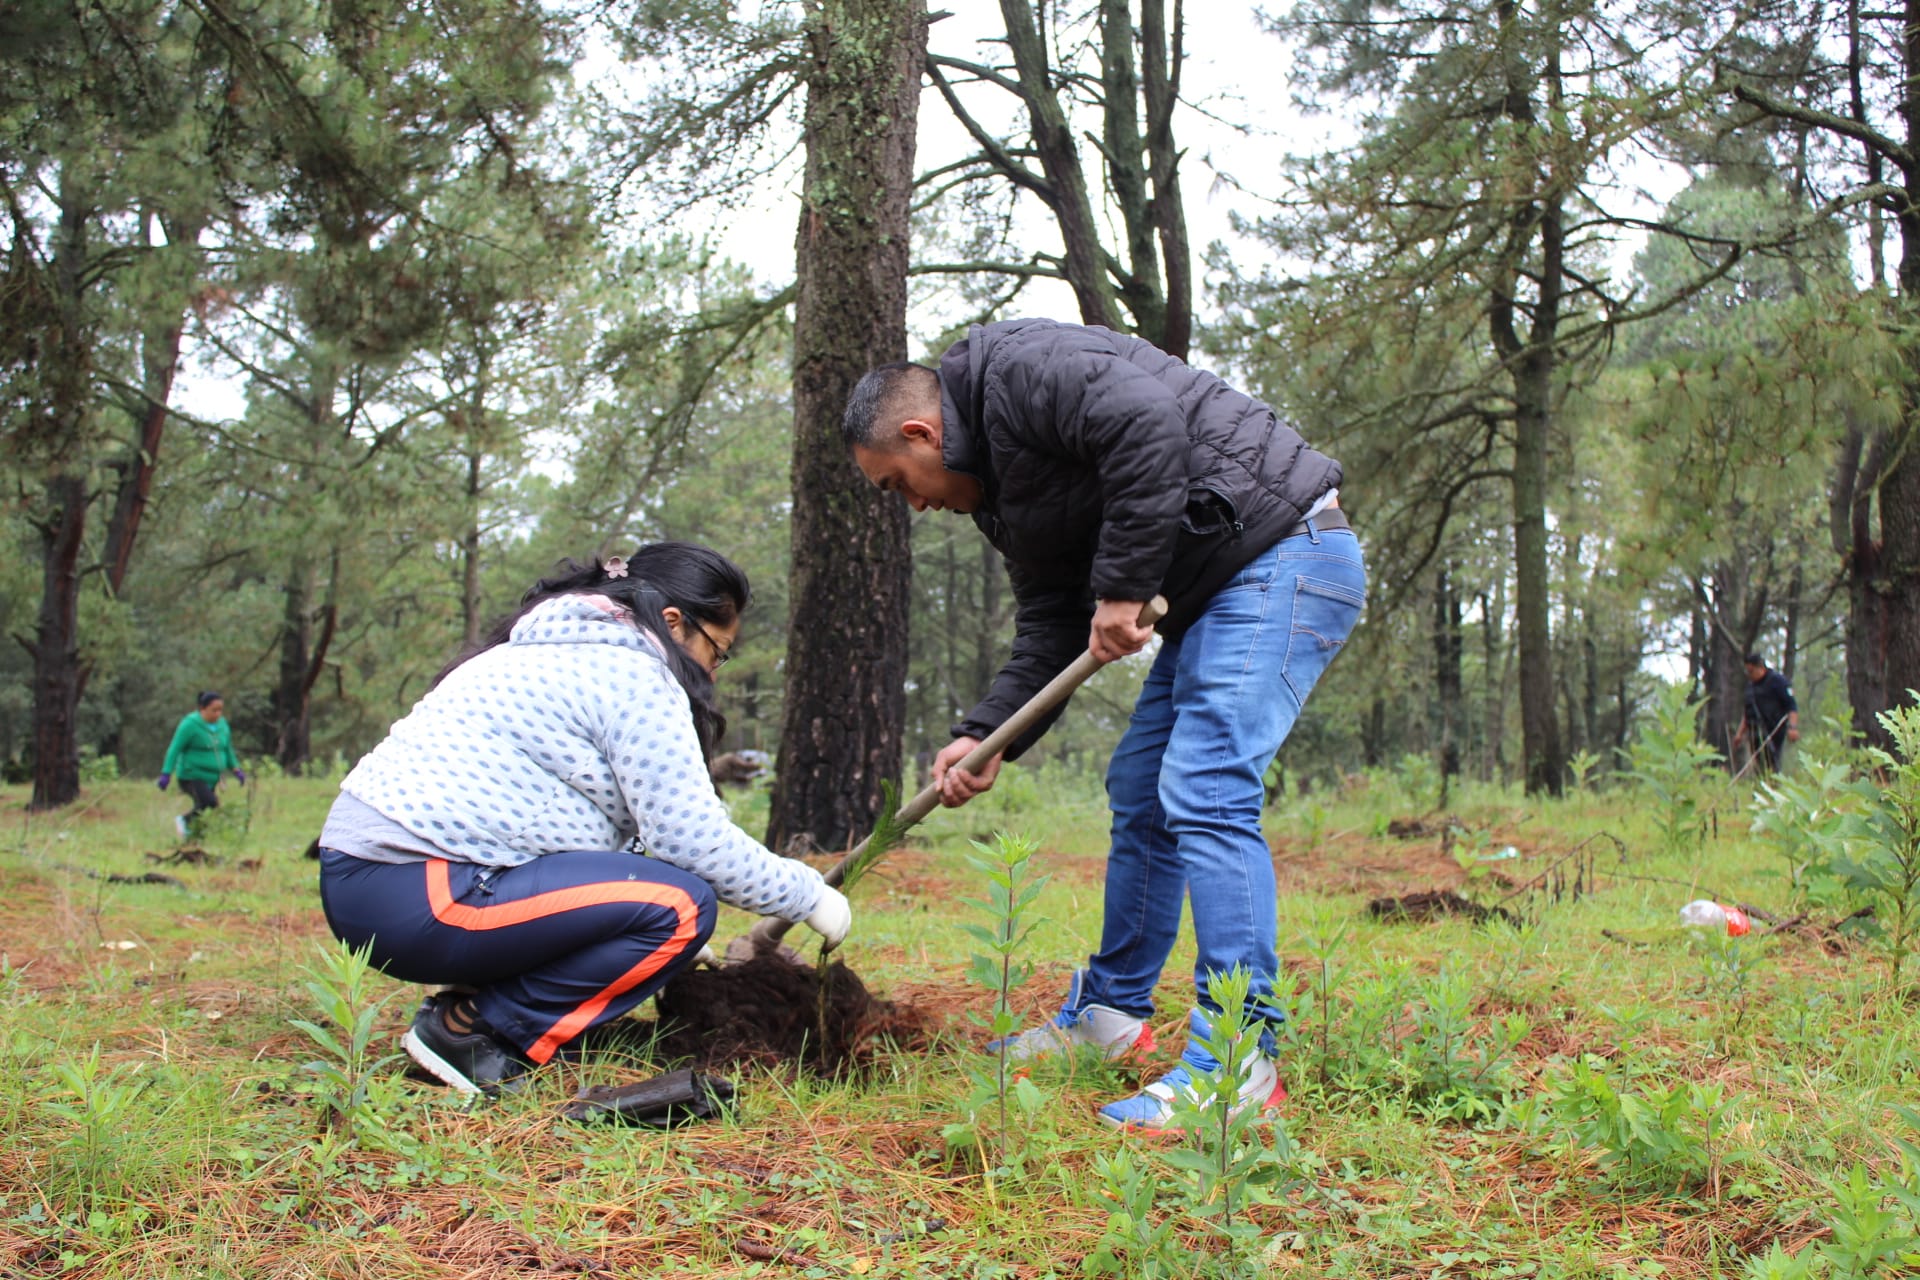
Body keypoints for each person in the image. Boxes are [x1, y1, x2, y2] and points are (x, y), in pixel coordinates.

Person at [843, 318, 1366, 1130]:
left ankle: (1240, 1063)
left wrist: (1122, 586)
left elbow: (1146, 423)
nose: (912, 504)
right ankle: (1111, 1014)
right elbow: (1052, 622)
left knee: (1205, 782)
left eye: (897, 483)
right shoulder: (1004, 497)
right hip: (1216, 596)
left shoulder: (1019, 369)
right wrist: (988, 736)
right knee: (1142, 787)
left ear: (920, 432)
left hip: (1283, 554)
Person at [314, 543, 852, 1096]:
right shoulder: (634, 674)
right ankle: (473, 1031)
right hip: (422, 891)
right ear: (673, 623)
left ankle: (474, 1003)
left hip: (374, 882)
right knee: (682, 906)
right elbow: (693, 841)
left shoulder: (540, 652)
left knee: (660, 899)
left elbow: (580, 835)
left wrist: (623, 921)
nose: (712, 675)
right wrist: (806, 895)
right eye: (718, 652)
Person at [157, 692, 244, 841]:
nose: (218, 714)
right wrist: (166, 773)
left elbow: (227, 748)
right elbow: (174, 749)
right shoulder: (190, 724)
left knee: (207, 806)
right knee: (209, 802)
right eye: (214, 710)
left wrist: (236, 769)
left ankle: (194, 836)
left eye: (220, 710)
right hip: (191, 775)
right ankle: (183, 821)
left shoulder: (222, 725)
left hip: (212, 777)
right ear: (202, 709)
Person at [1735, 651, 1799, 773]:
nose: (1749, 675)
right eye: (1747, 672)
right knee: (1759, 767)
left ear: (1760, 667)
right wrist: (1740, 733)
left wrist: (1793, 727)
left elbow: (1792, 706)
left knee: (1772, 764)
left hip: (1774, 731)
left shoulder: (1777, 681)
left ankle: (1774, 787)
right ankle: (1761, 787)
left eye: (1751, 671)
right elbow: (1747, 712)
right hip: (1754, 733)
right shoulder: (1750, 686)